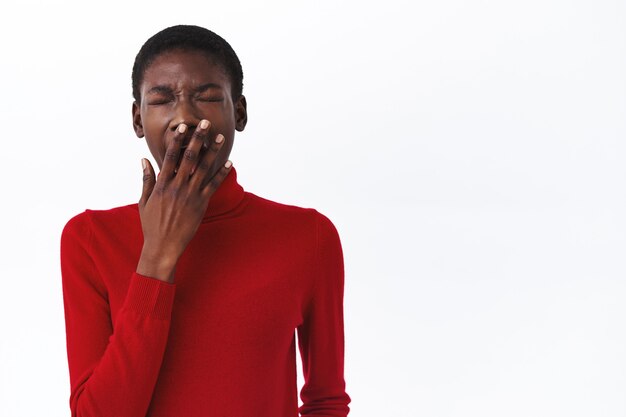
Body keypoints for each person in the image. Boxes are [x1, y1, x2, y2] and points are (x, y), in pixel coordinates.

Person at [60, 25, 350, 417]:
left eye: (208, 96)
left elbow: (325, 402)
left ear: (240, 111)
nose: (184, 117)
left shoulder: (309, 237)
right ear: (138, 120)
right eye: (162, 99)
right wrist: (158, 256)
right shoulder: (90, 239)